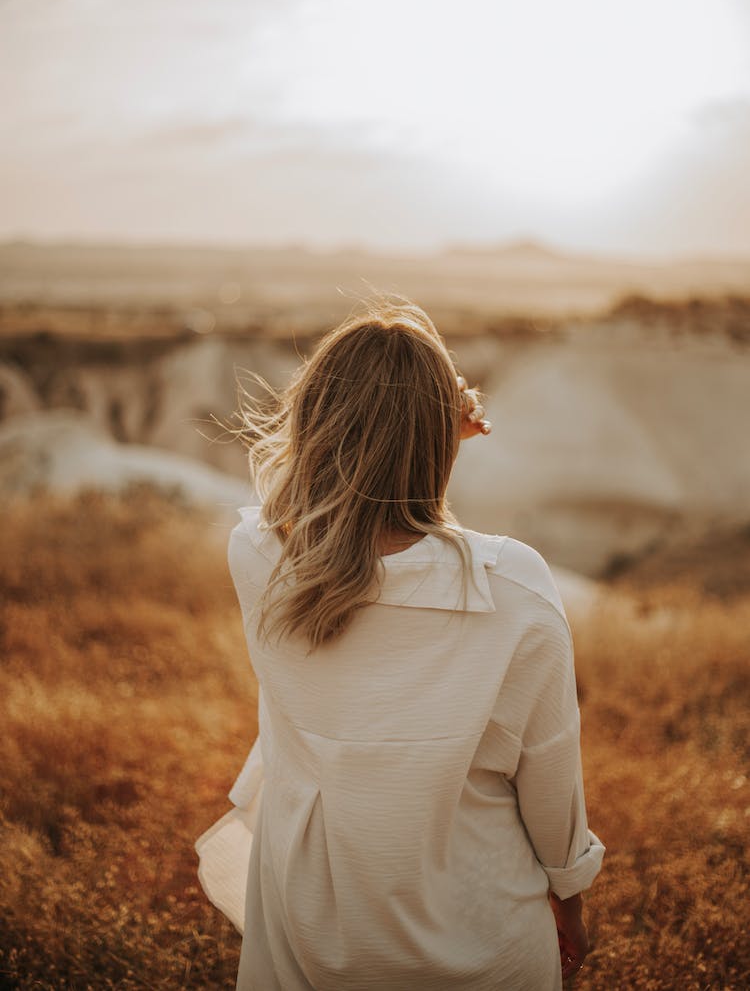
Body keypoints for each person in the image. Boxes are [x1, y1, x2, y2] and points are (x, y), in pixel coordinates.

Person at [196, 299, 604, 990]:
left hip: (309, 933)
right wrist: (571, 903)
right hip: (481, 939)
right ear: (445, 433)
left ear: (311, 423)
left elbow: (297, 512)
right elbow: (550, 784)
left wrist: (419, 433)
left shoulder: (260, 558)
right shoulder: (510, 587)